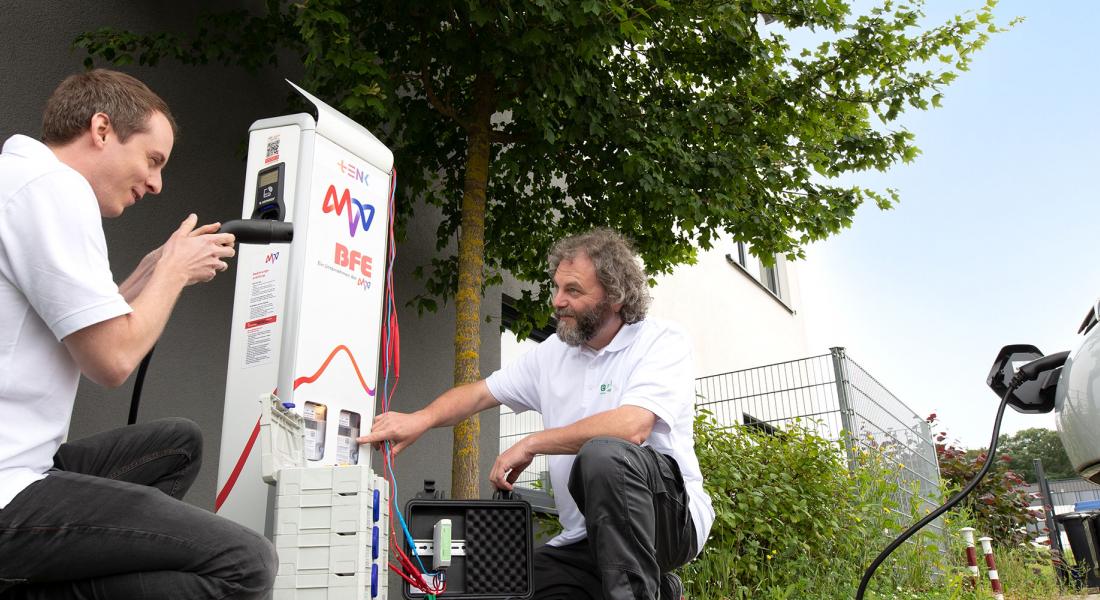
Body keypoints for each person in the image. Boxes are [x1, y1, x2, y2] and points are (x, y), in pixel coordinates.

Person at [0, 69, 276, 599]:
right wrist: (173, 273)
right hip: (10, 490)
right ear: (102, 129)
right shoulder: (52, 189)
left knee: (176, 445)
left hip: (27, 463)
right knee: (247, 563)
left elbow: (80, 330)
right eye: (153, 161)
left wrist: (149, 275)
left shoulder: (23, 181)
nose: (156, 184)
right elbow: (112, 359)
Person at [361, 228, 714, 600]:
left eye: (573, 291)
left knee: (605, 455)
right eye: (557, 288)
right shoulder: (552, 354)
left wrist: (532, 444)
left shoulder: (660, 342)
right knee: (515, 590)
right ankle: (657, 589)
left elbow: (632, 427)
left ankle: (647, 589)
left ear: (614, 296)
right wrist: (421, 419)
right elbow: (479, 394)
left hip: (668, 525)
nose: (557, 301)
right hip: (585, 539)